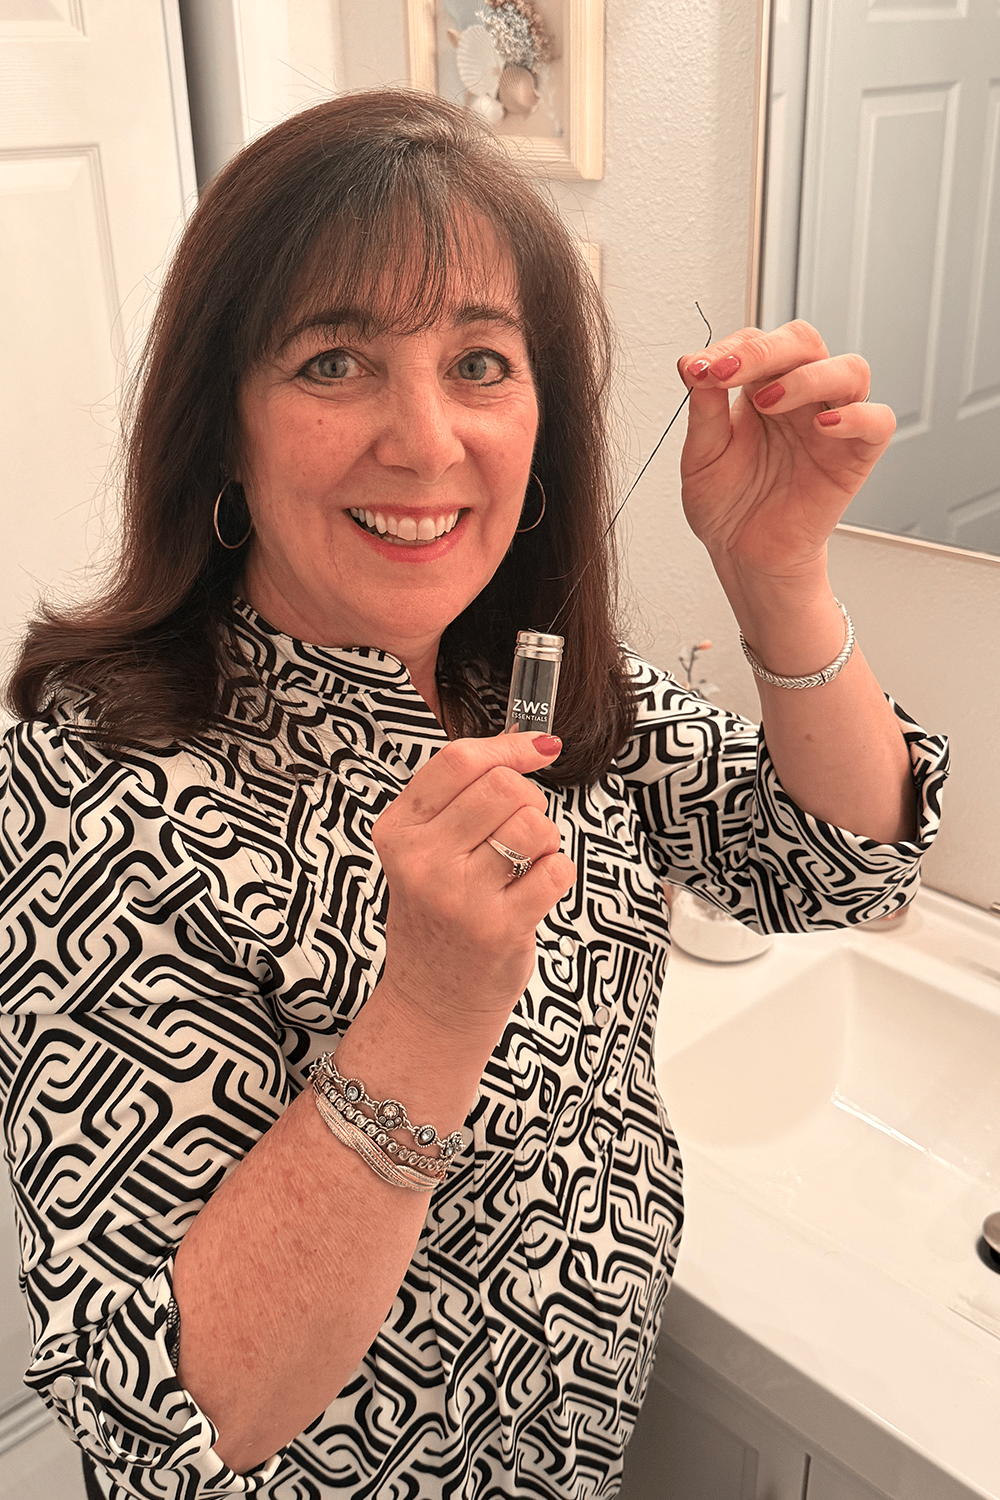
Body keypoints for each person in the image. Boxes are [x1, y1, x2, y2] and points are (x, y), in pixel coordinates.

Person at [0, 89, 946, 1500]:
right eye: (333, 362)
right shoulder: (97, 791)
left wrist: (781, 575)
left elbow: (840, 868)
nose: (428, 440)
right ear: (221, 430)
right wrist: (432, 1008)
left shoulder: (537, 690)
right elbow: (177, 1427)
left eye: (481, 363)